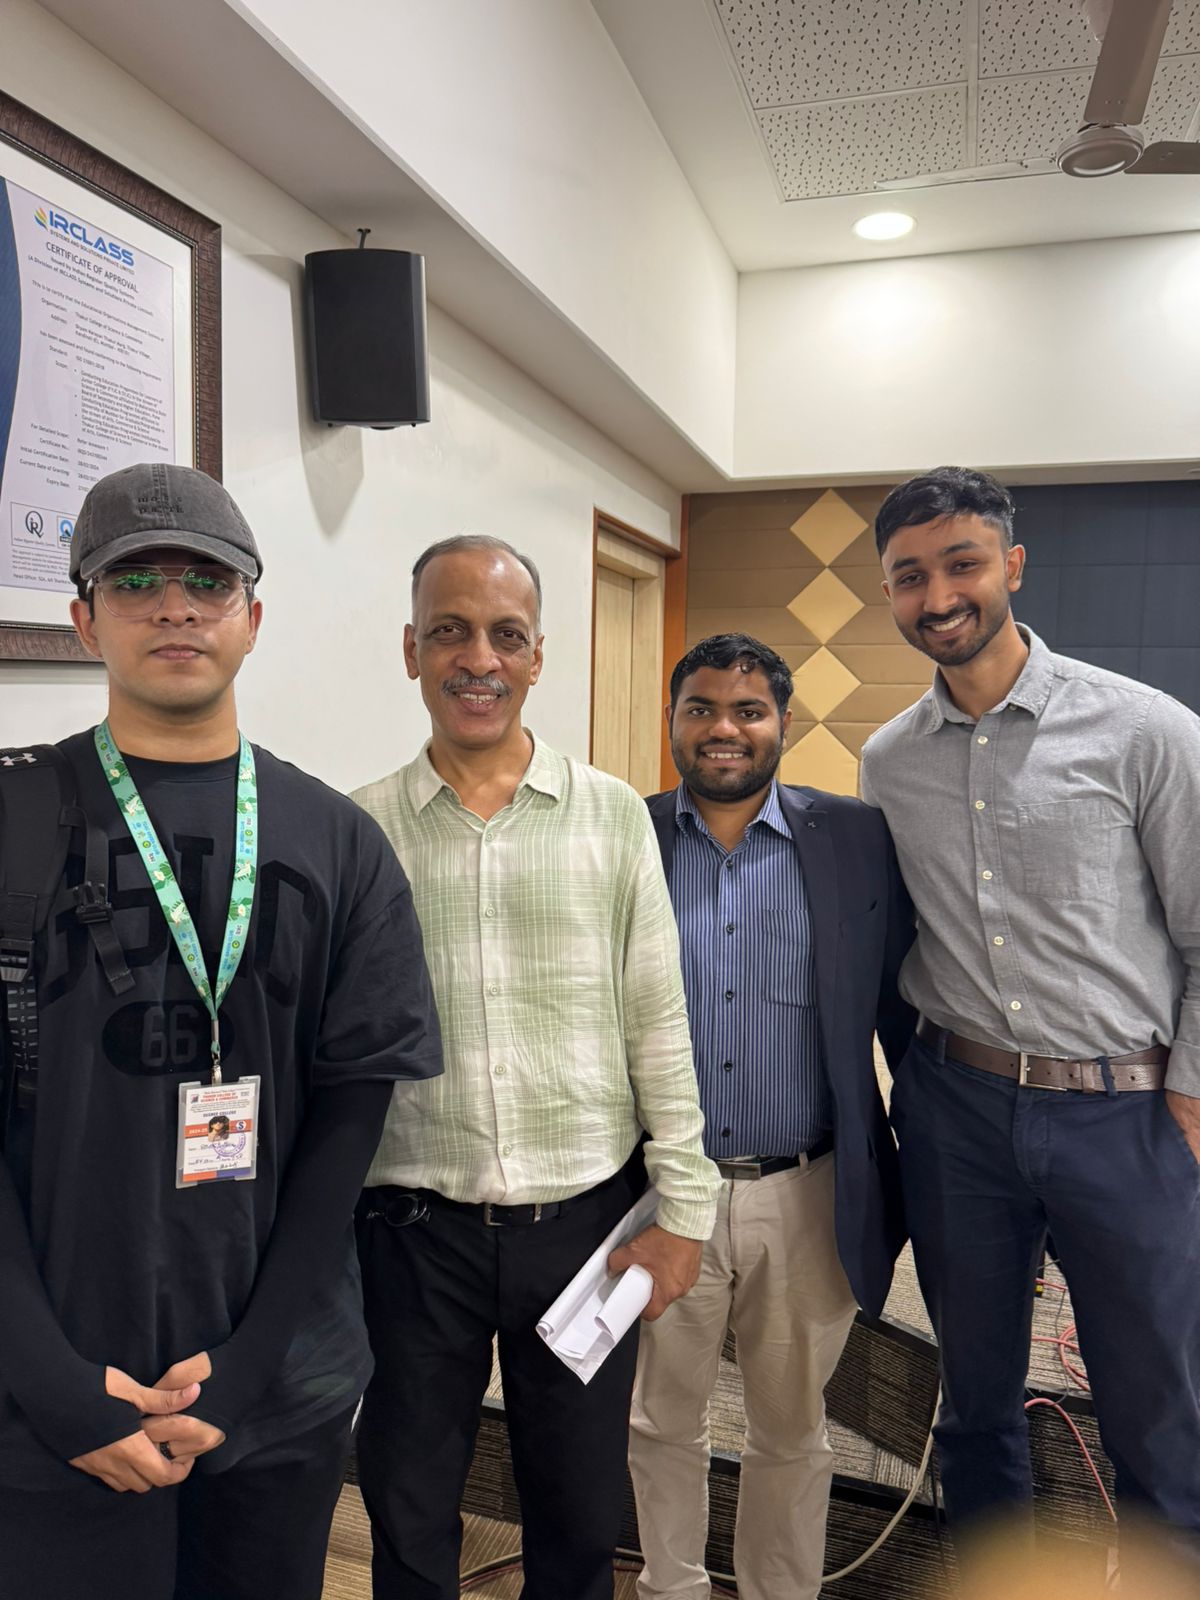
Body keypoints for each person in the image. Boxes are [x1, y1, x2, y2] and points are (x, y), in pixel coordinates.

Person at [0, 463, 442, 1600]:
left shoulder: (341, 845)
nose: (175, 605)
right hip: (41, 1394)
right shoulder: (10, 819)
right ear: (84, 615)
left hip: (274, 1390)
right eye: (134, 578)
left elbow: (349, 1126)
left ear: (254, 614)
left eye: (208, 579)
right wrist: (50, 1382)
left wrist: (245, 1374)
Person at [351, 534, 722, 1600]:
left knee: (576, 1507)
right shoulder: (361, 828)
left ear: (539, 655)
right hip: (414, 1235)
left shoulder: (609, 811)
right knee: (408, 1499)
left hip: (583, 1232)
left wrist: (686, 1209)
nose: (479, 657)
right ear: (412, 650)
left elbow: (660, 1018)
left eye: (505, 635)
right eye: (451, 631)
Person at [860, 465, 1200, 1559]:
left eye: (961, 563)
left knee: (1158, 1406)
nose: (938, 594)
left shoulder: (1147, 731)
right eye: (910, 576)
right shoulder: (886, 761)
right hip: (958, 1113)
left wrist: (1190, 1088)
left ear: (1011, 564)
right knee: (974, 1405)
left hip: (1129, 1115)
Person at [628, 632, 914, 1600]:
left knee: (791, 1426)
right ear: (671, 720)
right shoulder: (625, 835)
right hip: (666, 1192)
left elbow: (899, 1004)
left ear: (781, 723)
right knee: (662, 1416)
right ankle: (670, 1586)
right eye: (700, 707)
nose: (723, 729)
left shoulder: (854, 839)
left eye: (748, 710)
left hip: (810, 1187)